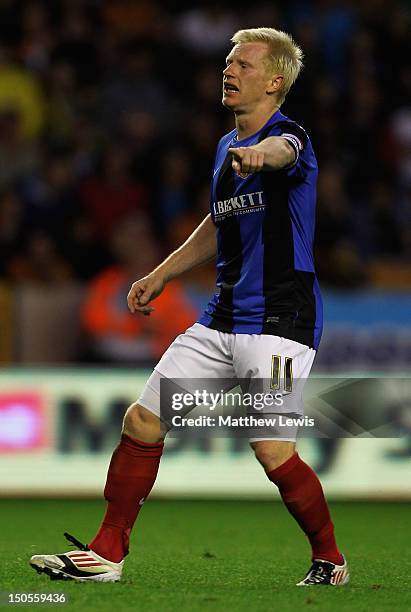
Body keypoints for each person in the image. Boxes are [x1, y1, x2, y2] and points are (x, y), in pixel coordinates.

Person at [30, 27, 349, 587]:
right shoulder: (226, 149)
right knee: (143, 421)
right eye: (228, 62)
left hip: (279, 320)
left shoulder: (288, 136)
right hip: (220, 315)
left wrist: (261, 155)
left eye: (245, 65)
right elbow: (217, 223)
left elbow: (283, 153)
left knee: (273, 450)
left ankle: (330, 560)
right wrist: (161, 272)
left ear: (275, 81)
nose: (229, 72)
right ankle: (106, 555)